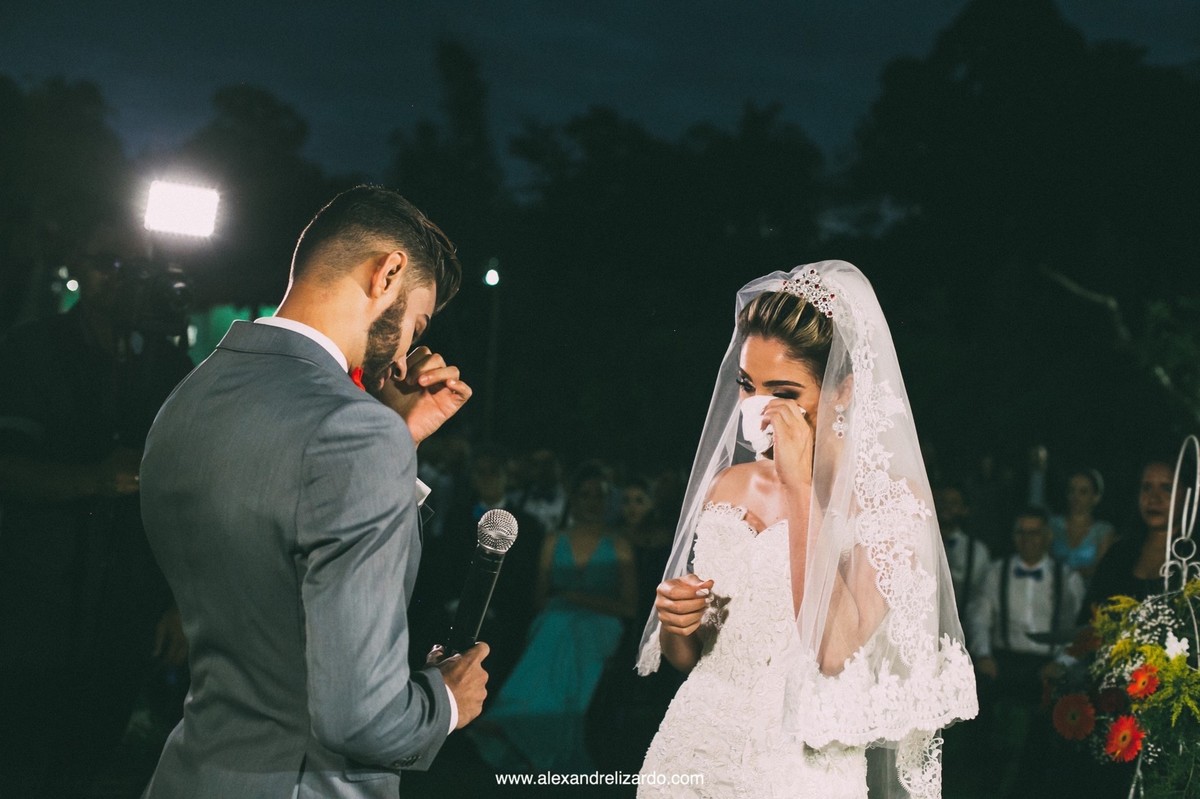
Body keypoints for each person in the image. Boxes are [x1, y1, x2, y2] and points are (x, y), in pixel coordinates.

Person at [138, 186, 489, 798]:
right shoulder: (356, 431)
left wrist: (395, 439)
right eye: (418, 322)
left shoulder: (187, 397)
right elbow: (362, 716)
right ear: (388, 273)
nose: (409, 349)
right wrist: (446, 702)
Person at [636, 262, 977, 798]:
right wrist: (681, 624)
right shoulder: (729, 485)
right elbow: (697, 657)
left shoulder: (889, 505)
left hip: (798, 769)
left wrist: (800, 484)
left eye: (785, 392)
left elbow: (835, 652)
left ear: (843, 390)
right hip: (691, 751)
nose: (758, 408)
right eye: (748, 385)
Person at [0, 219, 192, 797]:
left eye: (136, 269)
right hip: (31, 615)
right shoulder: (33, 349)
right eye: (108, 263)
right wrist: (91, 479)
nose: (122, 279)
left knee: (89, 765)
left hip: (124, 623)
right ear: (81, 269)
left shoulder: (168, 365)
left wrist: (180, 602)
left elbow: (193, 500)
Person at [471, 460, 638, 772]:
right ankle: (525, 724)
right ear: (574, 499)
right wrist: (564, 603)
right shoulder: (553, 540)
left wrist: (577, 598)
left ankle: (515, 721)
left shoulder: (619, 544)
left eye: (599, 496)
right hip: (555, 620)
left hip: (601, 624)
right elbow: (539, 598)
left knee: (567, 627)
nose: (592, 502)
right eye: (585, 495)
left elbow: (629, 607)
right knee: (557, 624)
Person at [966, 508, 1085, 796]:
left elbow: (1080, 631)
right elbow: (979, 616)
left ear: (1047, 536)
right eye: (1022, 532)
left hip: (1047, 666)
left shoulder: (1067, 577)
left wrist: (1062, 663)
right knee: (992, 738)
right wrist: (982, 654)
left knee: (1040, 745)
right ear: (1014, 536)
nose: (1028, 539)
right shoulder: (997, 571)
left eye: (1035, 532)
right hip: (1004, 662)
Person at [934, 482, 991, 634]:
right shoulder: (922, 543)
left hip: (964, 631)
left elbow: (980, 599)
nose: (946, 507)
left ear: (965, 510)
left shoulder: (978, 551)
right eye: (942, 502)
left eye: (953, 503)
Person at [1048, 468, 1115, 581]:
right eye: (1071, 490)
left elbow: (1102, 571)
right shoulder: (1053, 525)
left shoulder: (1103, 531)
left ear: (1096, 497)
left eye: (1083, 492)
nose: (1075, 497)